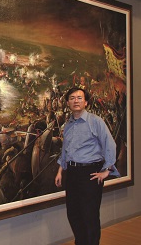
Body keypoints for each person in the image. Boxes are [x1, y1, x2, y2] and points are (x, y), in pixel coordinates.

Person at [55, 87, 117, 245]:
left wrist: (106, 170)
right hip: (72, 173)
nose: (76, 100)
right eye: (72, 98)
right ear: (68, 102)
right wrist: (60, 170)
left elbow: (110, 144)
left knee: (89, 215)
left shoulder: (96, 122)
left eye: (79, 98)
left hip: (90, 173)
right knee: (73, 213)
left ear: (86, 102)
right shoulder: (68, 125)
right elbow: (66, 149)